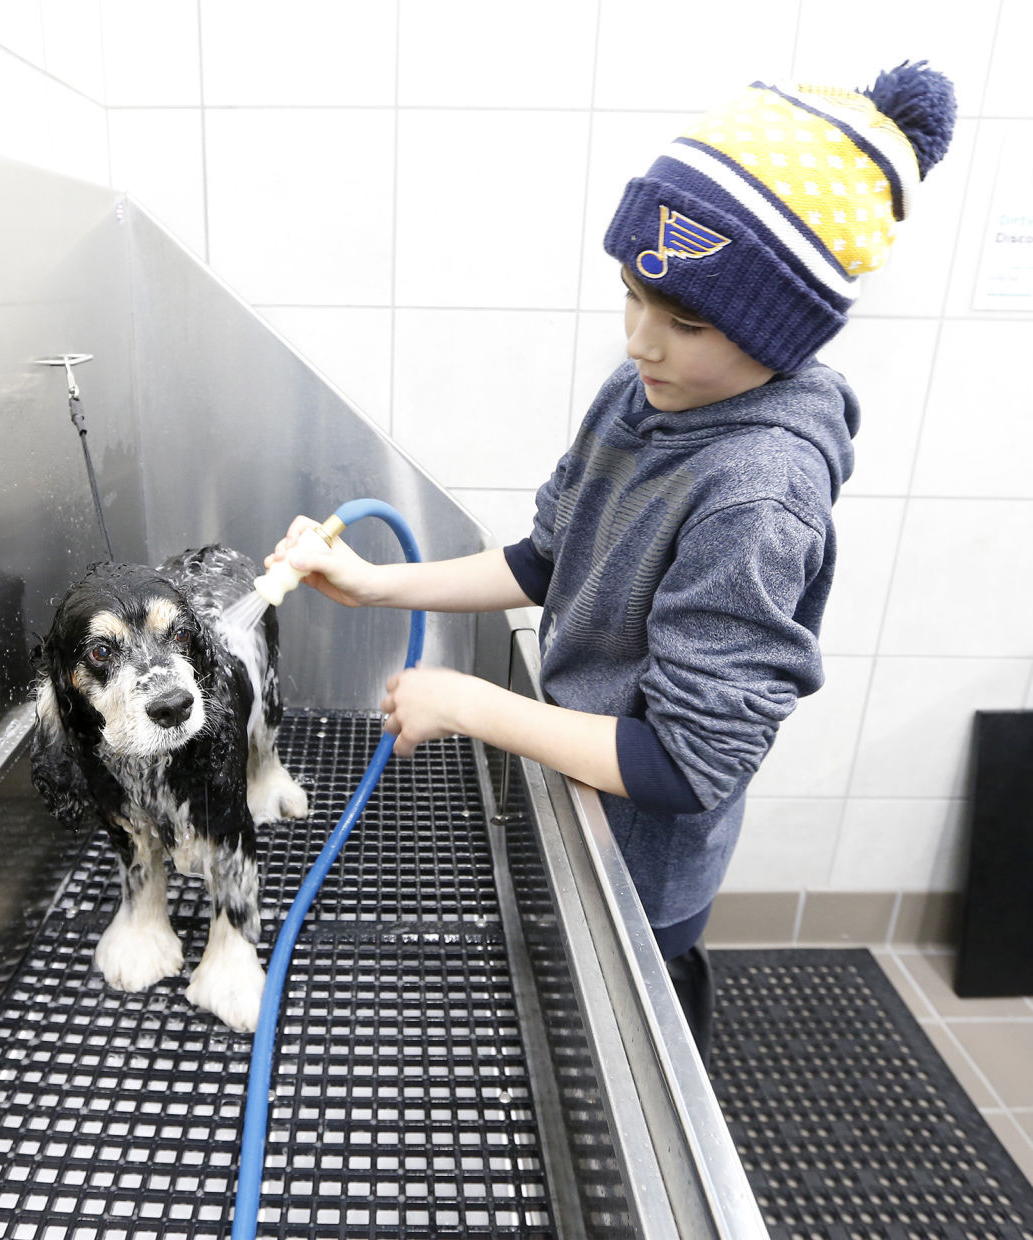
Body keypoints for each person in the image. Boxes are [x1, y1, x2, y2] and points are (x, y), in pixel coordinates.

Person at [266, 62, 957, 1061]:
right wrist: (376, 584)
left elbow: (689, 760)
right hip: (572, 799)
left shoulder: (759, 490)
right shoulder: (645, 395)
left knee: (645, 1052)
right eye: (634, 297)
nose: (643, 342)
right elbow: (550, 560)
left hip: (643, 870)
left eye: (687, 322)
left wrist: (467, 704)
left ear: (782, 332)